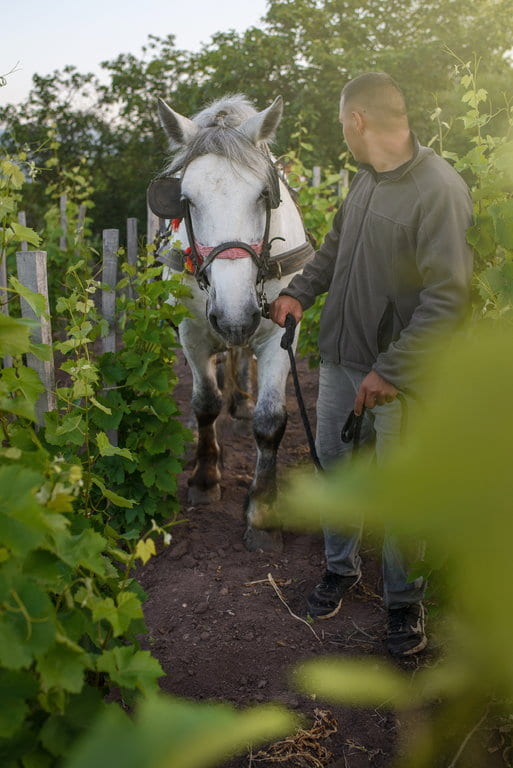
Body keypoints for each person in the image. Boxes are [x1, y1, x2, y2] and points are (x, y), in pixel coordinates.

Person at [270, 72, 473, 657]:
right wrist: (300, 293)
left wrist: (394, 370)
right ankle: (340, 569)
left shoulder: (438, 189)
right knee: (337, 468)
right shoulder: (365, 180)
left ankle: (404, 604)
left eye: (342, 123)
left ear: (357, 121)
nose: (343, 132)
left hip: (398, 376)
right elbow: (334, 249)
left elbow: (447, 297)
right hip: (341, 358)